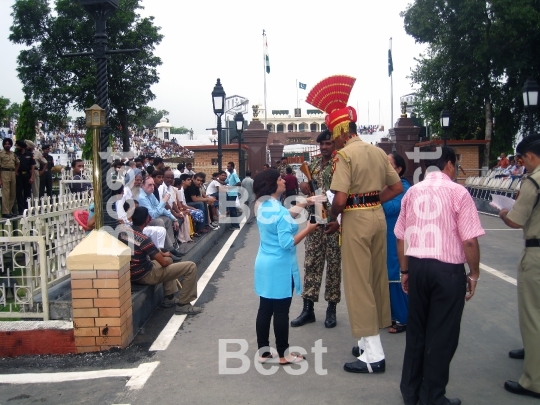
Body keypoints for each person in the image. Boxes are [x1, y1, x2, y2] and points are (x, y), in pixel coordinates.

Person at [395, 146, 484, 405]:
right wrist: (474, 273)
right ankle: (433, 396)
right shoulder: (459, 193)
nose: (455, 169)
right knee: (442, 334)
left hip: (419, 267)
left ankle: (410, 392)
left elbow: (401, 237)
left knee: (417, 333)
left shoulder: (413, 192)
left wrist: (405, 271)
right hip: (447, 271)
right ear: (448, 164)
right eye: (455, 164)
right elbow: (469, 240)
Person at [326, 110, 403, 373]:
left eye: (334, 136)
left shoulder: (345, 155)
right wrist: (370, 201)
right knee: (374, 278)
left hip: (356, 221)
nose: (334, 142)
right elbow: (396, 188)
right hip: (377, 218)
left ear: (342, 132)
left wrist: (333, 214)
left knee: (359, 284)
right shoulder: (379, 152)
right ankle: (364, 343)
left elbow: (339, 199)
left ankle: (374, 355)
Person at [253, 169, 320, 364]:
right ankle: (283, 354)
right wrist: (308, 229)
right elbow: (287, 243)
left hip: (264, 263)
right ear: (272, 184)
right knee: (281, 310)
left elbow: (284, 215)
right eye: (280, 179)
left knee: (265, 308)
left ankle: (264, 352)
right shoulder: (279, 211)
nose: (284, 181)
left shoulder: (263, 205)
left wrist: (304, 202)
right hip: (280, 267)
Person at [497, 134, 540, 399]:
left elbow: (515, 220)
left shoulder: (534, 181)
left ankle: (534, 381)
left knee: (533, 315)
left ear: (531, 156)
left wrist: (503, 211)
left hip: (537, 254)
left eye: (524, 160)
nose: (523, 165)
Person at [291, 130, 342, 329]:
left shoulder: (340, 164)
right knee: (311, 263)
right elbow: (304, 183)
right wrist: (304, 184)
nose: (324, 148)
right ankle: (308, 309)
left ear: (334, 144)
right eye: (321, 144)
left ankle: (331, 309)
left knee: (333, 266)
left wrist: (338, 220)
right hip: (314, 222)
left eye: (328, 144)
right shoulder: (312, 165)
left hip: (333, 222)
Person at [118, 206, 202, 314]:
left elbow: (147, 250)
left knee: (167, 260)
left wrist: (162, 255)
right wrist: (168, 257)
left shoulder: (124, 232)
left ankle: (170, 298)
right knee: (190, 267)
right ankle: (184, 304)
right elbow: (163, 262)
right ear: (148, 220)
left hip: (132, 273)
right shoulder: (143, 239)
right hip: (145, 275)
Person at [383, 152, 411, 334]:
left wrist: (376, 197)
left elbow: (392, 208)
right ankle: (389, 315)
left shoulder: (405, 188)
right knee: (385, 277)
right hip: (383, 238)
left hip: (397, 239)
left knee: (396, 276)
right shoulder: (385, 187)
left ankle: (403, 317)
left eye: (388, 164)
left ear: (399, 169)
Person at [137, 175, 183, 257]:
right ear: (142, 185)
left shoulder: (150, 194)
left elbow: (161, 209)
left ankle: (171, 248)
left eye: (152, 185)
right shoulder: (141, 197)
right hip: (143, 223)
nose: (152, 187)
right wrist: (164, 201)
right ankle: (163, 251)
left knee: (168, 219)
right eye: (149, 185)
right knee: (159, 221)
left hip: (149, 219)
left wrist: (174, 219)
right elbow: (153, 215)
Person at [15, 140, 35, 215]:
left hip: (27, 175)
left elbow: (32, 167)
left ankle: (27, 209)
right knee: (19, 193)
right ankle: (21, 210)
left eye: (18, 146)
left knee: (27, 194)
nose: (17, 147)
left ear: (22, 147)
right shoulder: (16, 154)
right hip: (19, 175)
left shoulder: (30, 154)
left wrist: (32, 177)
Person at [0, 138, 19, 218]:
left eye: (8, 144)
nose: (7, 145)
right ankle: (5, 212)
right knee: (6, 193)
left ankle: (9, 211)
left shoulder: (13, 154)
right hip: (4, 172)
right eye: (5, 144)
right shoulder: (1, 154)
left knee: (12, 193)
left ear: (11, 145)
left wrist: (15, 171)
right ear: (3, 145)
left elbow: (18, 163)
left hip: (12, 173)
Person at [225, 162, 241, 229]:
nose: (227, 168)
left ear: (232, 167)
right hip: (229, 193)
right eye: (227, 166)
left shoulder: (234, 174)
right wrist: (216, 179)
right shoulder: (230, 175)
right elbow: (225, 182)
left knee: (233, 210)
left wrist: (231, 187)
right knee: (231, 209)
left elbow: (239, 183)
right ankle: (233, 225)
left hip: (232, 194)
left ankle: (236, 225)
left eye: (229, 166)